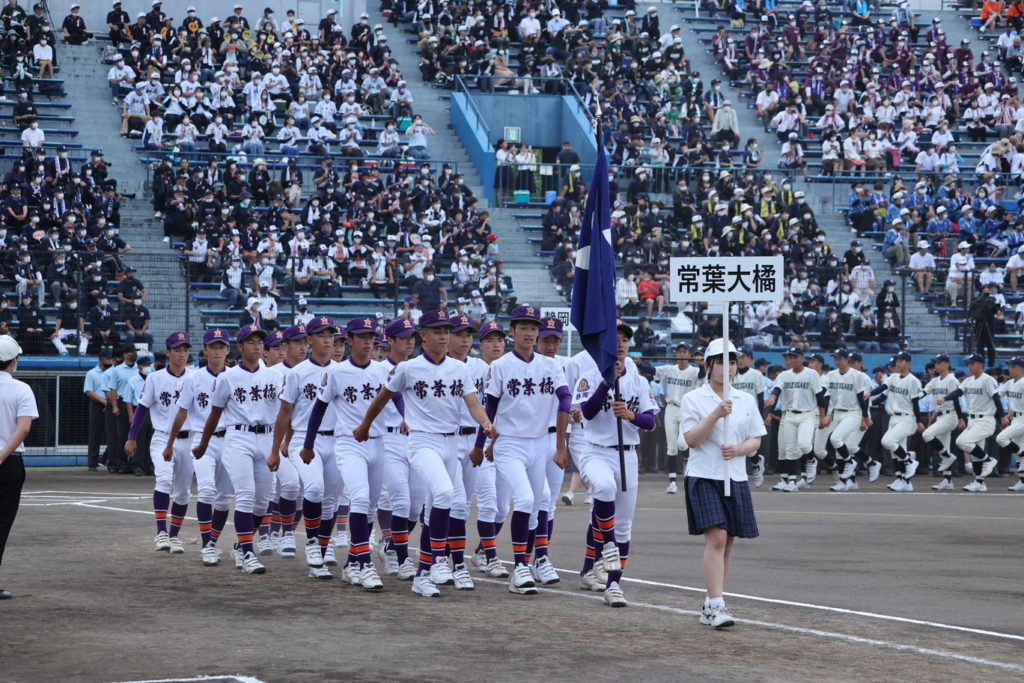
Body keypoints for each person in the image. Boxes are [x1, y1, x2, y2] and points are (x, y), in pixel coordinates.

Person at [354, 309, 495, 598]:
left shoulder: (460, 369)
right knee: (444, 493)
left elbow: (472, 403)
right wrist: (365, 425)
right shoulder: (408, 368)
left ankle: (427, 570)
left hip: (451, 443)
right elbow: (381, 400)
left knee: (440, 504)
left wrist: (484, 421)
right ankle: (430, 567)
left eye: (447, 331)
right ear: (424, 336)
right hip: (420, 442)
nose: (444, 336)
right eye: (438, 331)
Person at [568, 319, 657, 607]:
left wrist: (631, 417)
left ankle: (613, 585)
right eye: (615, 338)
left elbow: (650, 421)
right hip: (595, 450)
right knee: (603, 488)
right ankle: (605, 546)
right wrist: (607, 382)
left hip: (628, 454)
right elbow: (589, 413)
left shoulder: (638, 379)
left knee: (624, 527)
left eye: (625, 339)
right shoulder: (591, 373)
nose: (620, 343)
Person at [678, 338, 763, 628]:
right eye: (720, 361)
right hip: (704, 474)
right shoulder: (694, 399)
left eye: (732, 361)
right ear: (708, 364)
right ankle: (716, 605)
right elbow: (691, 440)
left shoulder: (745, 399)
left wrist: (740, 449)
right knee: (717, 538)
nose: (727, 367)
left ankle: (712, 601)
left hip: (735, 476)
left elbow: (756, 437)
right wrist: (715, 414)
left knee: (728, 543)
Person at [300, 316, 389, 589]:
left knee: (371, 505)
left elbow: (397, 399)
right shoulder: (337, 372)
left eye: (370, 336)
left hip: (378, 442)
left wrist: (407, 420)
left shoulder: (383, 371)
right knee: (359, 499)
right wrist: (308, 444)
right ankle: (365, 565)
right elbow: (319, 408)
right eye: (361, 336)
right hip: (349, 443)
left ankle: (351, 563)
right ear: (349, 341)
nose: (367, 341)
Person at [193, 325, 283, 575]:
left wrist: (279, 445)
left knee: (263, 500)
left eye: (259, 342)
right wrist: (203, 443)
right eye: (250, 341)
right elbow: (214, 414)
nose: (256, 346)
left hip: (266, 438)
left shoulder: (274, 377)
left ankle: (239, 545)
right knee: (245, 494)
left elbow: (284, 413)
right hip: (238, 438)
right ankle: (248, 552)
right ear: (240, 347)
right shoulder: (227, 378)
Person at [269, 316, 345, 581]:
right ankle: (313, 543)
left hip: (338, 439)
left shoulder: (343, 370)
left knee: (331, 501)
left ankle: (321, 554)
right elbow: (285, 413)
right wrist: (276, 448)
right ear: (309, 340)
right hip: (304, 438)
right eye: (321, 335)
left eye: (330, 335)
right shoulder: (296, 373)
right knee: (314, 488)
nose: (327, 339)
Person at [164, 328, 233, 566]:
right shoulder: (193, 379)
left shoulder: (235, 376)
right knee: (206, 490)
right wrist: (170, 443)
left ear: (228, 349)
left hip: (231, 440)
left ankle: (213, 541)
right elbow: (181, 413)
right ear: (204, 351)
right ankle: (206, 546)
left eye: (221, 346)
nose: (217, 351)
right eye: (212, 346)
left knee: (224, 498)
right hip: (202, 440)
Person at [124, 332, 193, 553]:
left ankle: (174, 536)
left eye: (185, 349)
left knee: (183, 492)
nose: (182, 354)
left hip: (189, 439)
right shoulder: (155, 378)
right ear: (167, 352)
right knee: (163, 480)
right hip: (162, 437)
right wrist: (132, 437)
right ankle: (161, 532)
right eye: (177, 350)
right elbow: (142, 408)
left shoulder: (194, 377)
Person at [0, 336, 37, 600]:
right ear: (13, 362)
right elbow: (23, 428)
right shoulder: (21, 389)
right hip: (9, 463)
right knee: (1, 524)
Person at [765, 347, 827, 492]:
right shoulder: (784, 375)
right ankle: (792, 482)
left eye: (794, 357)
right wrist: (773, 397)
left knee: (804, 444)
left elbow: (820, 397)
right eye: (789, 357)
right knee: (790, 449)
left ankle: (811, 459)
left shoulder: (812, 374)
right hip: (789, 414)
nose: (791, 360)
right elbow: (777, 389)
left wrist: (822, 417)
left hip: (807, 414)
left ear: (802, 357)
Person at [938, 354, 1002, 493]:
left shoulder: (988, 380)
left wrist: (1002, 417)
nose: (969, 366)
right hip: (972, 419)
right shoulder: (968, 380)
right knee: (974, 454)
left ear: (980, 364)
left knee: (962, 442)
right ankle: (979, 482)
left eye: (971, 363)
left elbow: (996, 399)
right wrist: (945, 398)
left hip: (985, 419)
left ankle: (988, 460)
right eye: (968, 364)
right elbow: (958, 392)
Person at [818, 349, 873, 491]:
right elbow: (827, 396)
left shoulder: (857, 376)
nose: (837, 361)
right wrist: (826, 415)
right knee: (838, 450)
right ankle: (845, 482)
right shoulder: (831, 375)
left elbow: (862, 398)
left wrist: (865, 418)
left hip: (853, 413)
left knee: (835, 439)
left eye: (840, 358)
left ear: (846, 359)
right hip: (837, 412)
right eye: (835, 358)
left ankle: (851, 461)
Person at [871, 351, 925, 492]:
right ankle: (903, 481)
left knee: (887, 441)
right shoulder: (893, 377)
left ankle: (909, 461)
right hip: (893, 417)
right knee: (895, 452)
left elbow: (915, 403)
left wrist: (919, 422)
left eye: (901, 361)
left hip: (907, 418)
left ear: (908, 363)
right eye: (897, 360)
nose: (898, 363)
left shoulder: (913, 380)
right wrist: (869, 400)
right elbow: (882, 392)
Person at [655, 342, 699, 494]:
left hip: (687, 409)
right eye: (679, 351)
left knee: (682, 443)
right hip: (671, 408)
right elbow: (651, 370)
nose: (681, 354)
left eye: (684, 351)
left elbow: (706, 375)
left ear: (689, 355)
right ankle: (672, 482)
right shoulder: (669, 369)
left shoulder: (695, 371)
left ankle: (688, 466)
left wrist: (704, 363)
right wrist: (639, 363)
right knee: (672, 446)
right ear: (675, 355)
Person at [922, 354, 962, 491]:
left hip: (950, 416)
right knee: (944, 447)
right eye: (935, 363)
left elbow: (956, 399)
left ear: (947, 364)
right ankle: (947, 480)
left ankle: (948, 456)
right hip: (940, 416)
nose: (936, 365)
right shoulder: (935, 380)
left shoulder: (952, 380)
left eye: (939, 363)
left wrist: (961, 418)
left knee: (927, 435)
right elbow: (923, 392)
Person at [996, 358, 1024, 492]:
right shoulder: (1009, 383)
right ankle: (1022, 481)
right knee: (1019, 451)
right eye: (1010, 366)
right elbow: (996, 394)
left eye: (1013, 366)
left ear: (1020, 368)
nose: (1010, 369)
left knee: (1001, 438)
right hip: (1015, 419)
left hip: (1023, 419)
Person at [84, 349, 113, 471]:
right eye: (108, 358)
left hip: (112, 403)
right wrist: (104, 401)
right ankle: (92, 463)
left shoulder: (113, 372)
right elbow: (89, 392)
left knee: (113, 434)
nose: (110, 360)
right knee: (95, 434)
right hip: (97, 404)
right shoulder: (92, 373)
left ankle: (106, 458)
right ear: (101, 359)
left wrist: (110, 403)